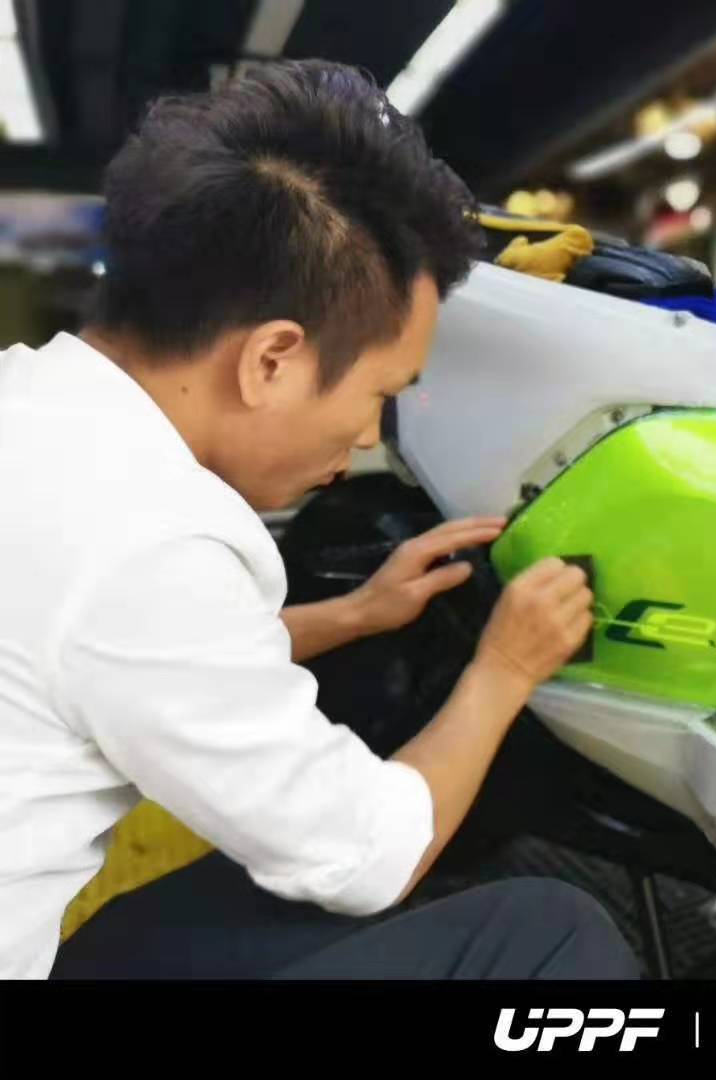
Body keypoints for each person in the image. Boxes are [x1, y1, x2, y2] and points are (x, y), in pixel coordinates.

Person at [0, 60, 638, 980]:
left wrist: (354, 615)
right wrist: (505, 669)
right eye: (381, 393)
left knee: (231, 891)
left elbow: (123, 653)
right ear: (272, 360)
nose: (369, 435)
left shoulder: (36, 413)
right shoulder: (150, 541)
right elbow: (370, 856)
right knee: (547, 933)